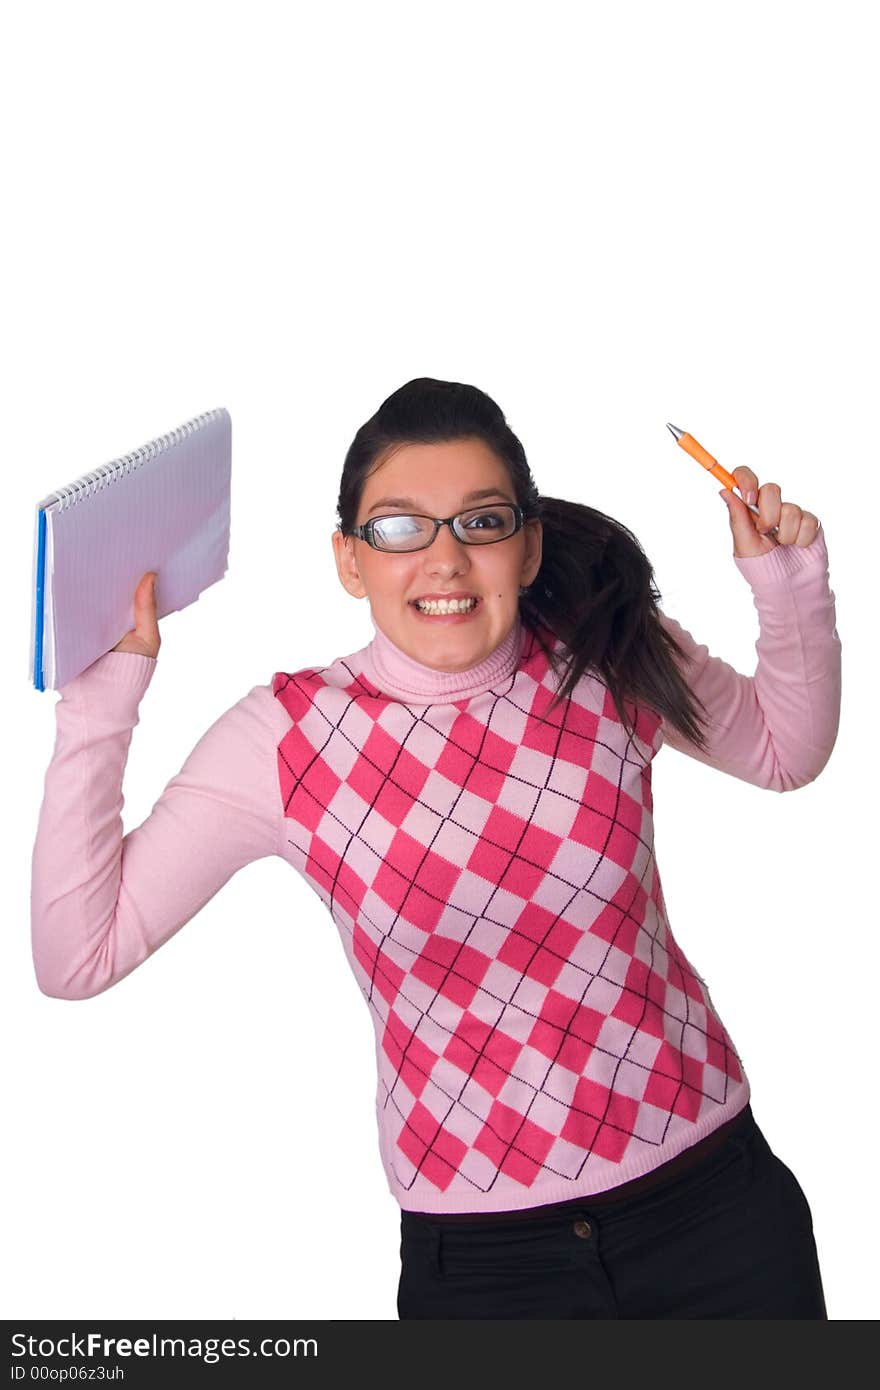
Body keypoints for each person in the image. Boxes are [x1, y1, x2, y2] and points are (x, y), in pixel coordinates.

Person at [31, 378, 840, 1319]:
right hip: (488, 1269)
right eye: (400, 528)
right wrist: (102, 703)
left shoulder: (606, 650)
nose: (445, 561)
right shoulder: (286, 740)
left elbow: (786, 751)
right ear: (348, 559)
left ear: (528, 545)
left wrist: (788, 584)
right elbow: (76, 957)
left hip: (716, 1210)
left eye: (481, 522)